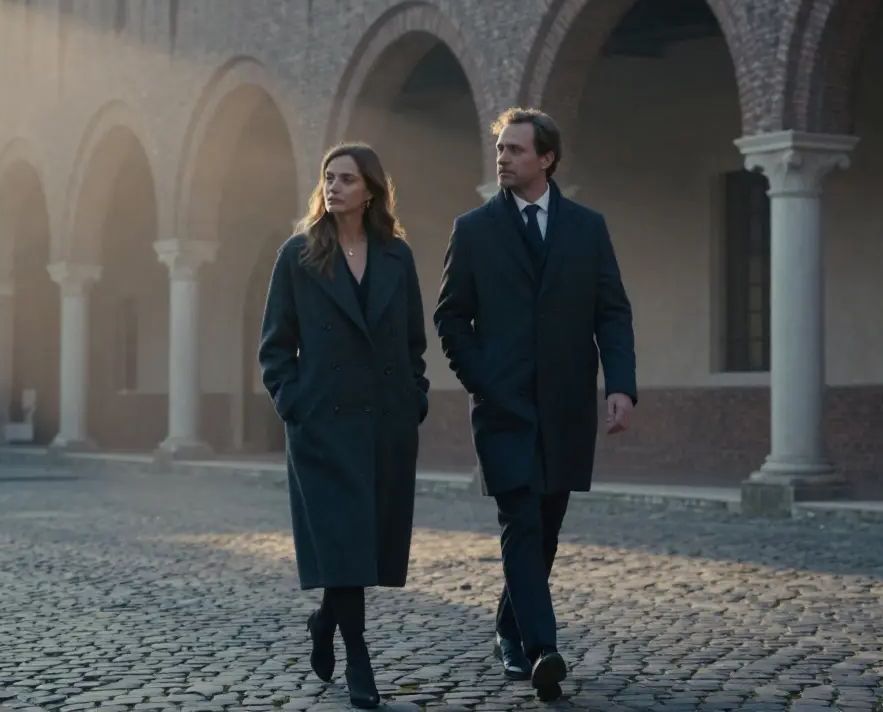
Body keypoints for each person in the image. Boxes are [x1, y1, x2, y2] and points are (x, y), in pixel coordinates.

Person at [433, 108, 638, 702]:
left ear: (546, 158)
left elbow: (612, 312)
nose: (503, 158)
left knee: (545, 528)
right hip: (502, 409)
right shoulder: (472, 230)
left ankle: (506, 629)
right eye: (500, 149)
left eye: (516, 150)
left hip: (568, 408)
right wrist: (483, 380)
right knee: (520, 522)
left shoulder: (586, 228)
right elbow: (451, 317)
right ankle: (543, 648)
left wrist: (620, 386)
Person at [258, 142, 430, 709]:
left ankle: (325, 620)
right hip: (323, 425)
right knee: (342, 540)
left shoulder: (396, 256)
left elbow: (412, 342)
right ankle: (359, 657)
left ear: (371, 190)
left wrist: (414, 400)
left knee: (365, 545)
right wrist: (293, 402)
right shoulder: (299, 254)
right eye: (328, 178)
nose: (334, 187)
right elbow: (275, 346)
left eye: (347, 179)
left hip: (384, 420)